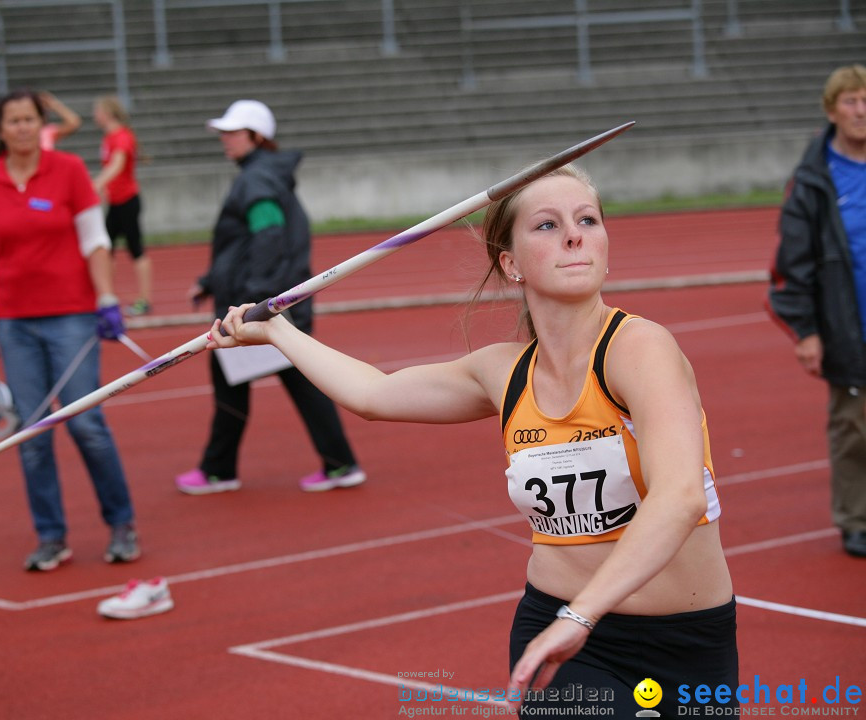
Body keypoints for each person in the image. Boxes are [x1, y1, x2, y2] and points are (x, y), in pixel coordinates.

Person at [208, 164, 737, 714]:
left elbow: (680, 497)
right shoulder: (503, 372)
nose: (575, 234)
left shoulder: (640, 349)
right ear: (511, 264)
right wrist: (276, 331)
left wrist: (583, 614)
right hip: (564, 634)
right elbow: (374, 393)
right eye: (547, 226)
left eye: (587, 219)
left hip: (687, 641)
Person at [0, 89, 140, 572]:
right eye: (12, 121)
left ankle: (121, 523)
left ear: (40, 124)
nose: (21, 127)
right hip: (16, 324)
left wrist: (106, 300)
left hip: (72, 318)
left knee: (86, 423)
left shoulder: (68, 171)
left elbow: (95, 241)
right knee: (32, 434)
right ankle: (51, 536)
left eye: (28, 119)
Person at [176, 99, 365, 495]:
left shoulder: (256, 179)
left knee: (259, 379)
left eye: (233, 132)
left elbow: (268, 237)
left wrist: (251, 305)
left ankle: (219, 469)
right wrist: (212, 280)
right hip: (265, 299)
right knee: (289, 378)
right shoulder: (264, 174)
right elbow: (244, 241)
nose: (225, 140)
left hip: (258, 303)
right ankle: (336, 462)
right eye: (223, 132)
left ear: (256, 136)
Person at [769, 64, 866, 559]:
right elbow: (792, 262)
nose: (861, 110)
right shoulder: (813, 179)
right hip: (849, 324)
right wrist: (806, 330)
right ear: (832, 111)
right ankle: (856, 519)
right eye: (850, 100)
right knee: (854, 427)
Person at [92, 95, 152, 317]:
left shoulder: (121, 137)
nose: (94, 115)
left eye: (97, 111)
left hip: (127, 202)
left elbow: (117, 165)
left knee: (136, 250)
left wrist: (97, 183)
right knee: (105, 251)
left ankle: (145, 300)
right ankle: (107, 297)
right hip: (116, 204)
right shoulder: (109, 137)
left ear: (107, 113)